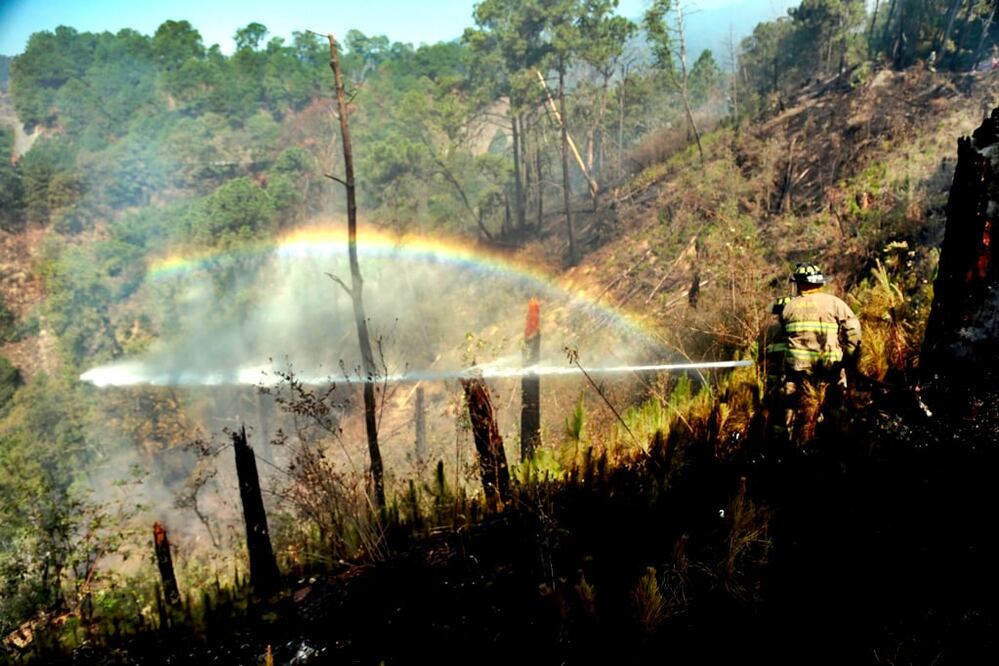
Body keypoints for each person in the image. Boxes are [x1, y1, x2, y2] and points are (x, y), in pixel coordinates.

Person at [779, 263, 862, 445]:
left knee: (794, 409)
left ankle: (792, 445)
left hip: (797, 372)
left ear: (799, 284)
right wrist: (849, 355)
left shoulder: (789, 307)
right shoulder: (835, 303)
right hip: (830, 368)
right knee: (835, 407)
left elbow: (785, 335)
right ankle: (834, 443)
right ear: (819, 282)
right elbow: (853, 329)